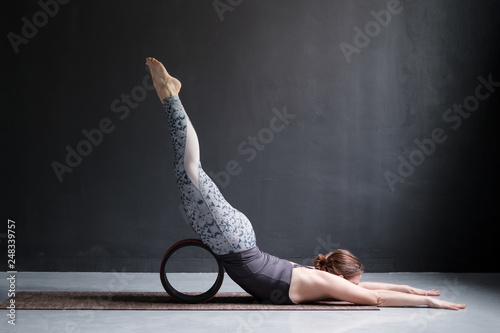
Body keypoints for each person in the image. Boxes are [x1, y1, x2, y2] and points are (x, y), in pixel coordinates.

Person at [145, 57, 466, 310]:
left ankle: (172, 98)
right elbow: (375, 298)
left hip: (237, 242)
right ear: (341, 277)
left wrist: (412, 289)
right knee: (190, 169)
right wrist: (427, 300)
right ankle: (171, 95)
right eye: (355, 281)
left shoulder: (327, 280)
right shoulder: (329, 284)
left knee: (187, 171)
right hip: (233, 243)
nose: (358, 286)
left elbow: (367, 290)